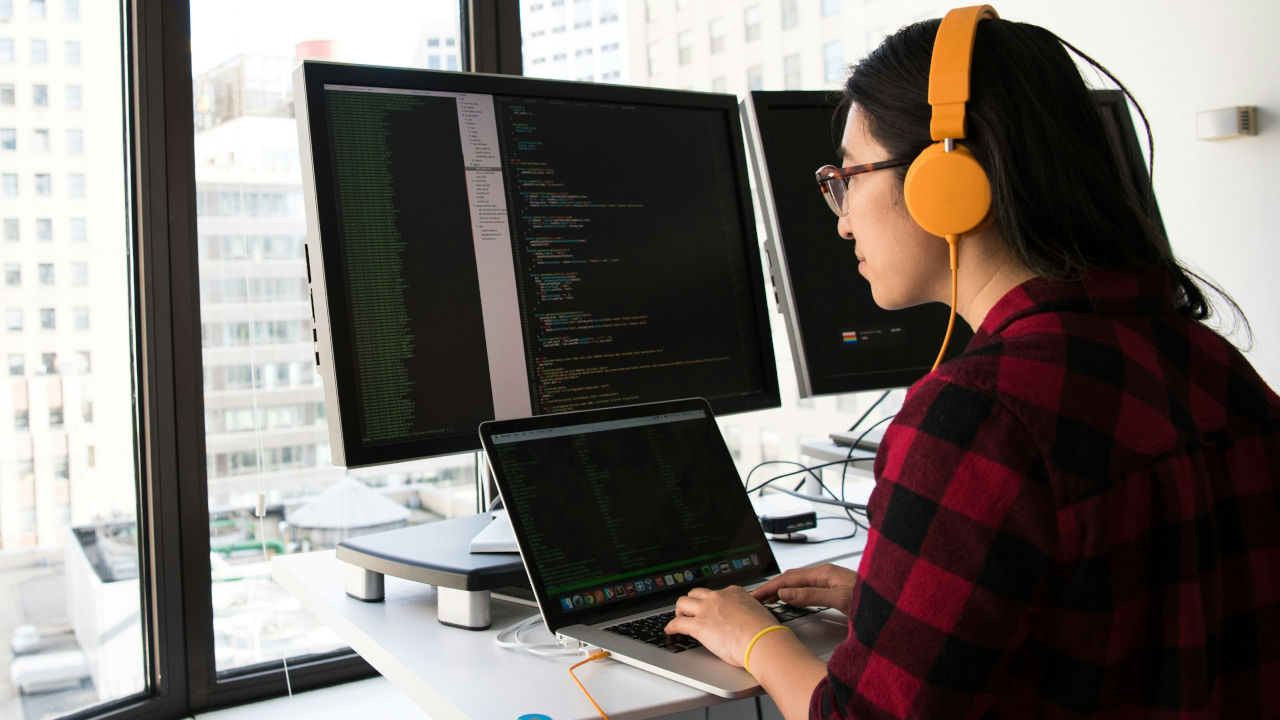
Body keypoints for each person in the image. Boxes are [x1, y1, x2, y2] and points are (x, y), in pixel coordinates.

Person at [664, 7, 1280, 719]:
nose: (841, 218)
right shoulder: (1216, 364)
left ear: (946, 181)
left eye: (848, 176)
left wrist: (755, 638)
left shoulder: (979, 417)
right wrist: (891, 609)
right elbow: (1125, 630)